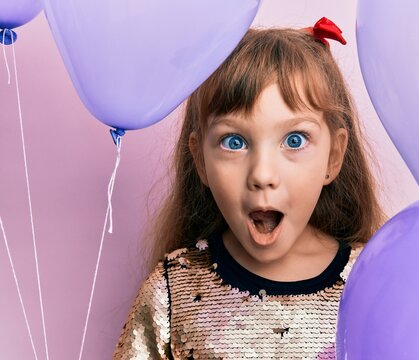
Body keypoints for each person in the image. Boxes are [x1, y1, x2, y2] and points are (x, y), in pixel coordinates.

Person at [113, 17, 385, 360]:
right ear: (201, 161)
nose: (262, 174)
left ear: (333, 156)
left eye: (294, 140)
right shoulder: (173, 290)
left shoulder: (373, 284)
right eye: (234, 141)